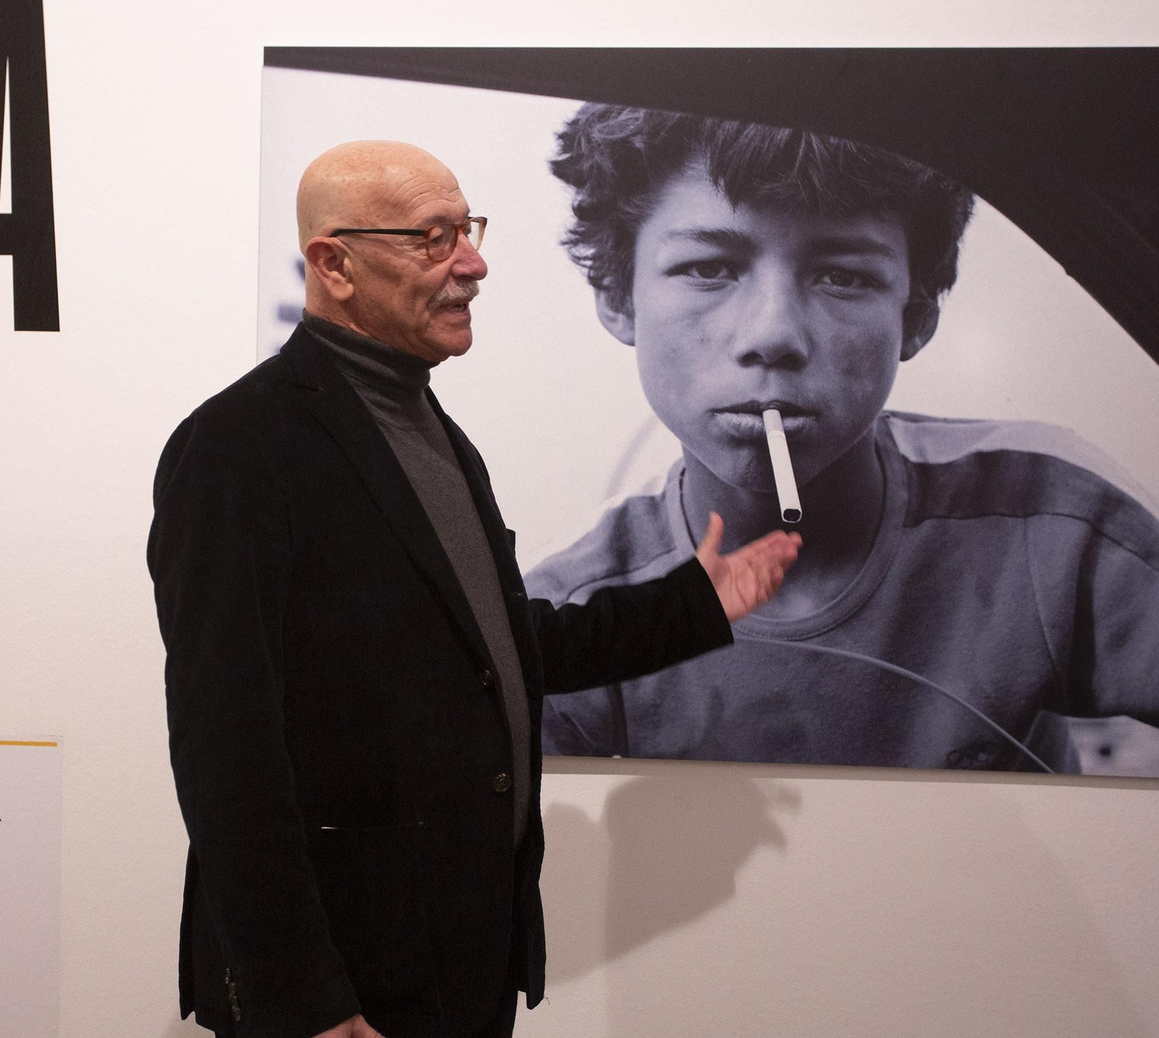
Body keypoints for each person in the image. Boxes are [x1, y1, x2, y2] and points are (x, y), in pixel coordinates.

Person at [149, 140, 801, 1038]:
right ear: (334, 263)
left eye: (469, 230)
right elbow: (227, 749)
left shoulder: (440, 439)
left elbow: (490, 647)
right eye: (434, 238)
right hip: (346, 988)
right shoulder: (236, 449)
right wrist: (303, 995)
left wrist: (698, 601)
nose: (473, 262)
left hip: (455, 967)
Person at [537, 105, 1159, 774]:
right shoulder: (569, 624)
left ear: (915, 315)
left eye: (844, 275)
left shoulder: (1050, 515)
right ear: (617, 295)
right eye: (709, 267)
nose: (773, 333)